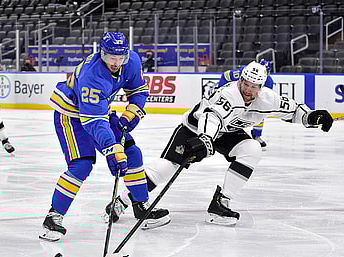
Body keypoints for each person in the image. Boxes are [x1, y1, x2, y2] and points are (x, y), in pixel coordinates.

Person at [106, 61, 333, 226]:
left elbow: (292, 110)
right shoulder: (228, 94)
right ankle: (125, 201)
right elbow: (211, 117)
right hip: (195, 129)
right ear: (240, 80)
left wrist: (312, 117)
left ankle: (220, 203)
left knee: (251, 149)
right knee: (168, 167)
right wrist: (204, 138)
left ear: (261, 87)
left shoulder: (267, 98)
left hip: (228, 133)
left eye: (254, 86)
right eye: (246, 83)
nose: (248, 89)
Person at [39, 32, 170, 242]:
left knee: (132, 153)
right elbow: (93, 122)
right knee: (82, 164)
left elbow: (138, 90)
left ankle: (141, 207)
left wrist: (133, 111)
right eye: (112, 58)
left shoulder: (132, 60)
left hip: (98, 111)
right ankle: (53, 217)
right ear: (103, 54)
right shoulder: (93, 74)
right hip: (71, 114)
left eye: (121, 58)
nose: (117, 63)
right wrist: (111, 149)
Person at [218, 59, 273, 149]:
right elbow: (225, 76)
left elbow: (263, 97)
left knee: (260, 113)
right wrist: (220, 91)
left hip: (249, 98)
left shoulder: (269, 82)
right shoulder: (244, 71)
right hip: (234, 94)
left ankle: (256, 135)